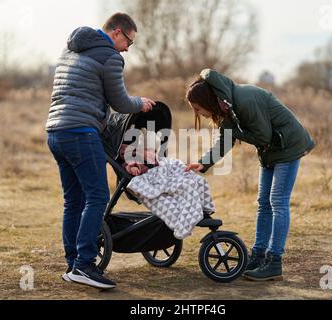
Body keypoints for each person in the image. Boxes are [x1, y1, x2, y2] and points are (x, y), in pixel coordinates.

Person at [45, 13, 155, 290]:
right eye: (129, 41)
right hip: (81, 132)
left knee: (74, 200)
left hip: (55, 132)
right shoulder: (110, 56)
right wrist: (139, 103)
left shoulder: (70, 48)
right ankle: (84, 264)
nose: (128, 48)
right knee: (97, 196)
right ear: (117, 33)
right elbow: (119, 101)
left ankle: (73, 263)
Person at [184, 69, 315, 281]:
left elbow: (263, 136)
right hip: (271, 150)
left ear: (207, 100)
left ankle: (274, 262)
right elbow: (225, 141)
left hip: (288, 146)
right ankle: (258, 255)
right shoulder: (227, 106)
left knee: (278, 201)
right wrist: (202, 163)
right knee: (263, 202)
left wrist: (235, 132)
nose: (198, 114)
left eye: (198, 109)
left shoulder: (243, 100)